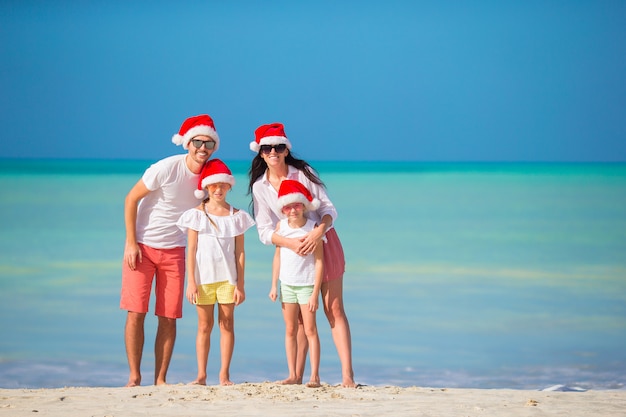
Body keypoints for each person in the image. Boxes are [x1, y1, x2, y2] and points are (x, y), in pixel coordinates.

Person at [248, 122, 356, 388]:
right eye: (267, 148)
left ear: (286, 150)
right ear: (260, 152)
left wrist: (319, 231)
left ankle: (347, 377)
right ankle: (296, 375)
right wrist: (289, 243)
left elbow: (328, 208)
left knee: (334, 309)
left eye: (279, 147)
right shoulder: (260, 187)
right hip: (290, 253)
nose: (273, 151)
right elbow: (263, 230)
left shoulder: (302, 173)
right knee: (297, 319)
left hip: (324, 242)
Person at [120, 114, 220, 387]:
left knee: (168, 316)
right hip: (142, 247)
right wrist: (131, 242)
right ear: (188, 143)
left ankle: (160, 380)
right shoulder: (165, 168)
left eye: (209, 144)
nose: (203, 148)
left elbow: (217, 204)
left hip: (175, 251)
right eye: (198, 142)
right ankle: (134, 377)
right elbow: (131, 199)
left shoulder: (209, 177)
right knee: (136, 312)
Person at [176, 159, 255, 386]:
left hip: (228, 280)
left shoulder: (237, 216)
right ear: (206, 188)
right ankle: (201, 375)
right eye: (214, 186)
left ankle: (224, 375)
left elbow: (240, 253)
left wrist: (240, 285)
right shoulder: (196, 215)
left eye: (223, 185)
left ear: (229, 187)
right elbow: (190, 250)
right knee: (204, 326)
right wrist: (190, 282)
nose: (218, 190)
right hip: (203, 280)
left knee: (227, 324)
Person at [269, 179, 324, 388]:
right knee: (290, 329)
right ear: (283, 208)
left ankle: (314, 376)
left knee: (310, 330)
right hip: (287, 286)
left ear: (304, 206)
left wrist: (314, 293)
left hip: (307, 286)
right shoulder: (281, 227)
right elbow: (277, 258)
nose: (293, 210)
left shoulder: (313, 228)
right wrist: (274, 285)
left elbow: (319, 263)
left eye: (297, 205)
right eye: (289, 206)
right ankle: (292, 374)